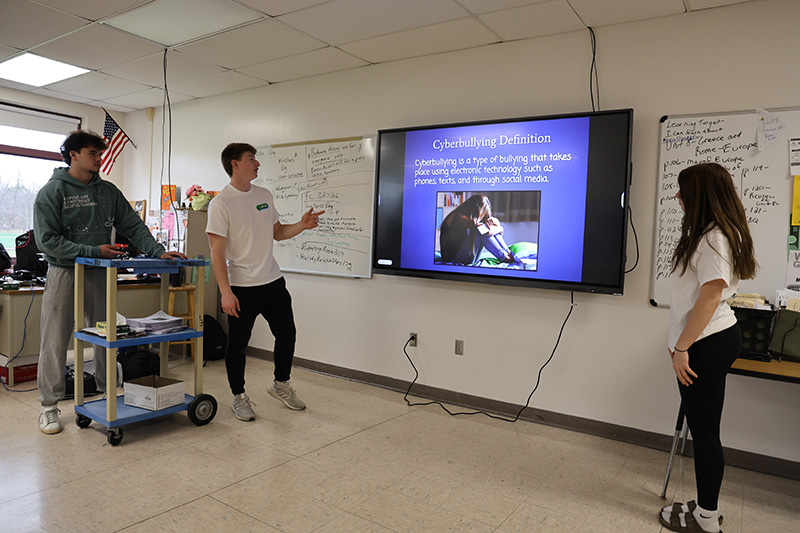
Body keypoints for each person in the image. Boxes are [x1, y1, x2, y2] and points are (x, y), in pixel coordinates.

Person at [34, 129, 187, 435]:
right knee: (55, 338)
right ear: (73, 155)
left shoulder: (108, 192)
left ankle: (107, 394)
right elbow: (47, 241)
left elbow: (133, 225)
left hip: (100, 271)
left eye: (100, 153)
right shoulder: (52, 192)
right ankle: (49, 407)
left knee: (107, 335)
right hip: (65, 272)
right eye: (93, 153)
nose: (99, 159)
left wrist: (158, 251)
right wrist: (92, 251)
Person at [659, 163, 757, 533]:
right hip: (711, 339)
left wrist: (682, 347)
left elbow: (710, 295)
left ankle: (706, 518)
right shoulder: (715, 233)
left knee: (704, 434)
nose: (678, 197)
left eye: (683, 191)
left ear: (699, 195)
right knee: (705, 429)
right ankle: (705, 506)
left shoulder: (715, 237)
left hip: (705, 342)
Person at [206, 143, 324, 421]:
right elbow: (216, 252)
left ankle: (280, 385)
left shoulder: (264, 195)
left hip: (273, 281)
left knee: (287, 334)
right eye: (251, 159)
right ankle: (239, 396)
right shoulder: (221, 203)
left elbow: (278, 233)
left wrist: (301, 225)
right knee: (237, 344)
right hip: (242, 288)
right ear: (235, 164)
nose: (257, 163)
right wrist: (225, 292)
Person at [439, 193, 518, 265]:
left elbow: (491, 227)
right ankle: (504, 257)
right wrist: (500, 228)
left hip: (465, 256)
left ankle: (507, 253)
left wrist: (494, 222)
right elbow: (486, 232)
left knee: (484, 228)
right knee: (480, 230)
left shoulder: (469, 217)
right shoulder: (458, 217)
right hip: (454, 259)